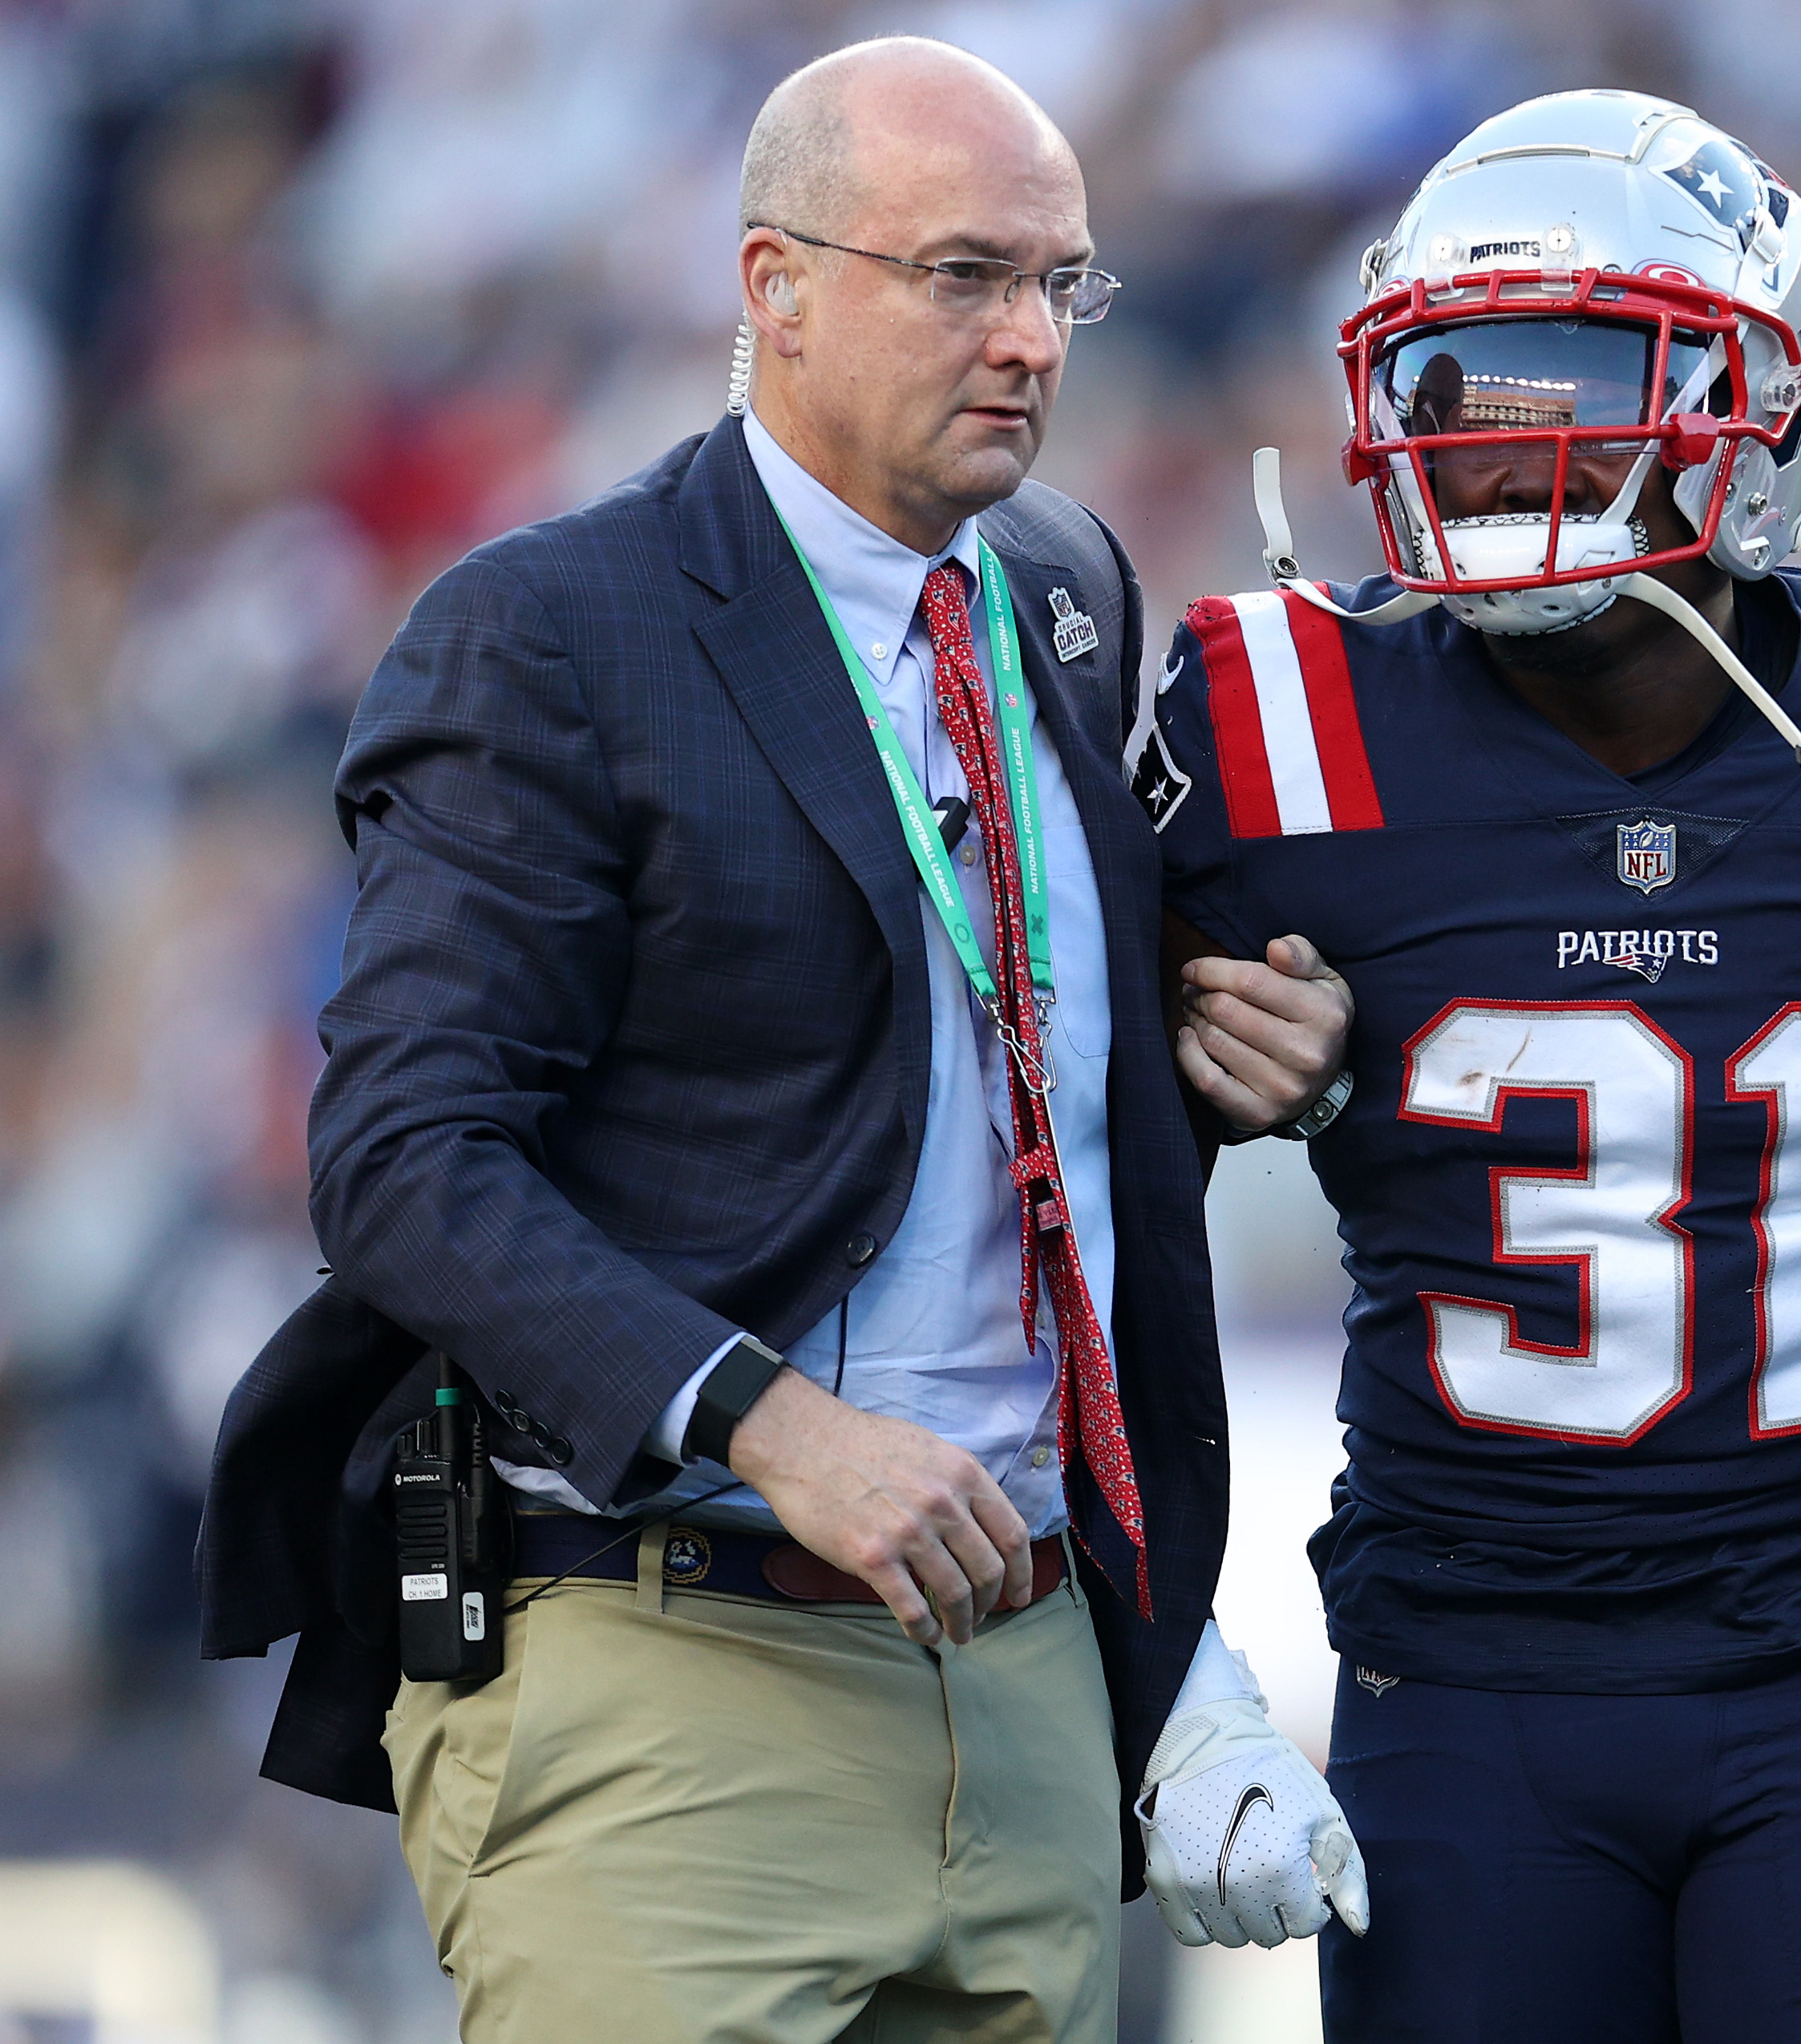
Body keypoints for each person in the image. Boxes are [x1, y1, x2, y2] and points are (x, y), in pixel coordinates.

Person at [197, 39, 1364, 2044]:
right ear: (774, 284)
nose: (1026, 341)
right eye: (962, 276)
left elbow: (951, 1074)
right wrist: (763, 1417)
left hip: (1020, 1679)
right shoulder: (555, 630)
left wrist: (1244, 1061)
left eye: (1058, 286)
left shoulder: (1064, 589)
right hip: (670, 1660)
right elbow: (402, 1158)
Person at [1151, 88, 1801, 2042]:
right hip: (1461, 1678)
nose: (1512, 434)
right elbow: (1092, 1227)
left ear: (1761, 393)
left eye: (1579, 371)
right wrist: (1179, 1667)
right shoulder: (1272, 733)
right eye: (1461, 382)